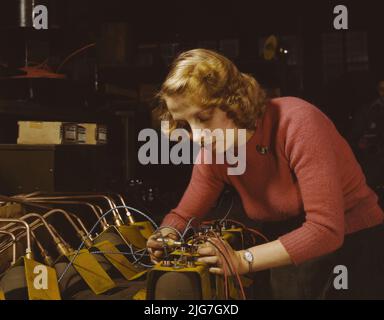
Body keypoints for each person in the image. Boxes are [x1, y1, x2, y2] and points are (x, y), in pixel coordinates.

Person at [146, 49, 384, 299]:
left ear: (232, 102)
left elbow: (325, 230)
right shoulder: (213, 151)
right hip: (286, 239)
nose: (196, 136)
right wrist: (167, 234)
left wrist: (240, 259)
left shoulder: (298, 122)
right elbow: (184, 215)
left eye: (203, 117)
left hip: (352, 241)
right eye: (184, 124)